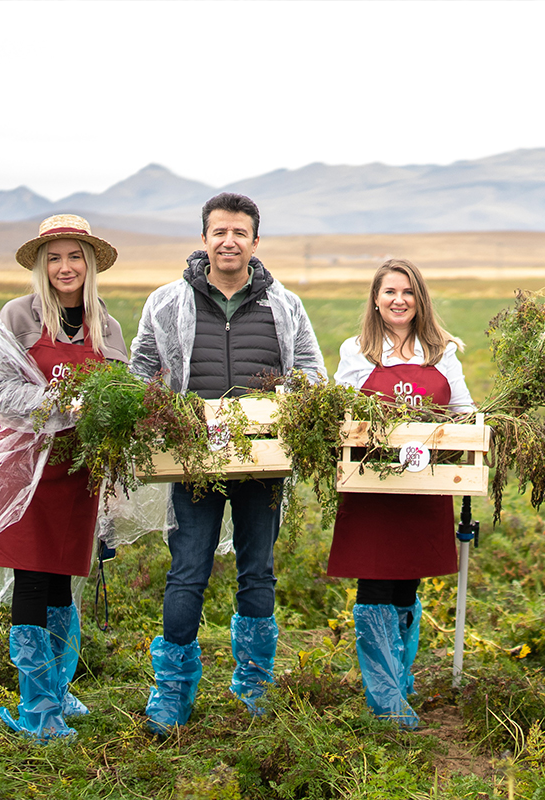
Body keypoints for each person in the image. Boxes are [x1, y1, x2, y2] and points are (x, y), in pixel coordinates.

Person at [0, 215, 128, 740]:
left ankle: (55, 691)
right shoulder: (17, 318)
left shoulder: (106, 324)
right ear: (40, 265)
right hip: (24, 474)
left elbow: (123, 394)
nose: (64, 267)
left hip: (78, 475)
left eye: (74, 256)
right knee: (33, 578)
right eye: (53, 258)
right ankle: (37, 711)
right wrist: (64, 403)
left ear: (90, 263)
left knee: (62, 579)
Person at [129, 192, 326, 734]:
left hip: (263, 464)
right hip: (193, 462)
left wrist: (287, 406)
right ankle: (171, 693)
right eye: (219, 232)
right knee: (187, 570)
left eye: (239, 233)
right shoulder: (166, 302)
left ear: (255, 242)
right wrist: (160, 411)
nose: (229, 241)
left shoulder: (283, 305)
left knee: (257, 570)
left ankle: (255, 687)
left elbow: (311, 372)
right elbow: (143, 370)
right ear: (204, 238)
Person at [327, 258, 476, 728]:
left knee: (408, 580)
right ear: (375, 299)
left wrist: (469, 431)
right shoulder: (357, 351)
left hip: (423, 489)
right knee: (374, 580)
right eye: (390, 291)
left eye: (408, 292)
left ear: (420, 300)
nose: (399, 300)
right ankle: (384, 696)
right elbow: (339, 416)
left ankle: (400, 676)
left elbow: (465, 412)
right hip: (372, 492)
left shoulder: (441, 351)